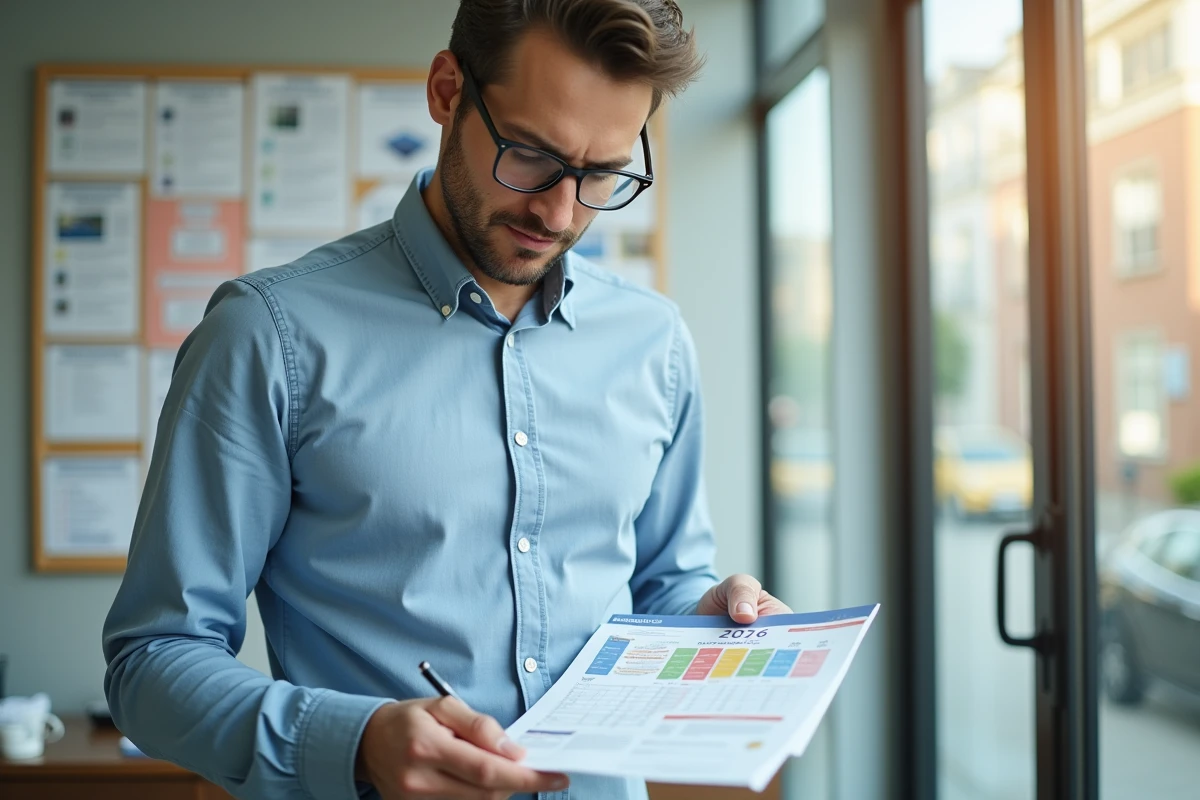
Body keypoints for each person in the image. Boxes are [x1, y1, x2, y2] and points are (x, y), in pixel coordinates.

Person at [102, 1, 790, 798]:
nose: (560, 213)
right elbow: (152, 662)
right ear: (445, 90)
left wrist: (712, 612)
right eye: (531, 156)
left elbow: (661, 585)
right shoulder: (266, 337)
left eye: (603, 174)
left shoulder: (654, 341)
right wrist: (354, 743)